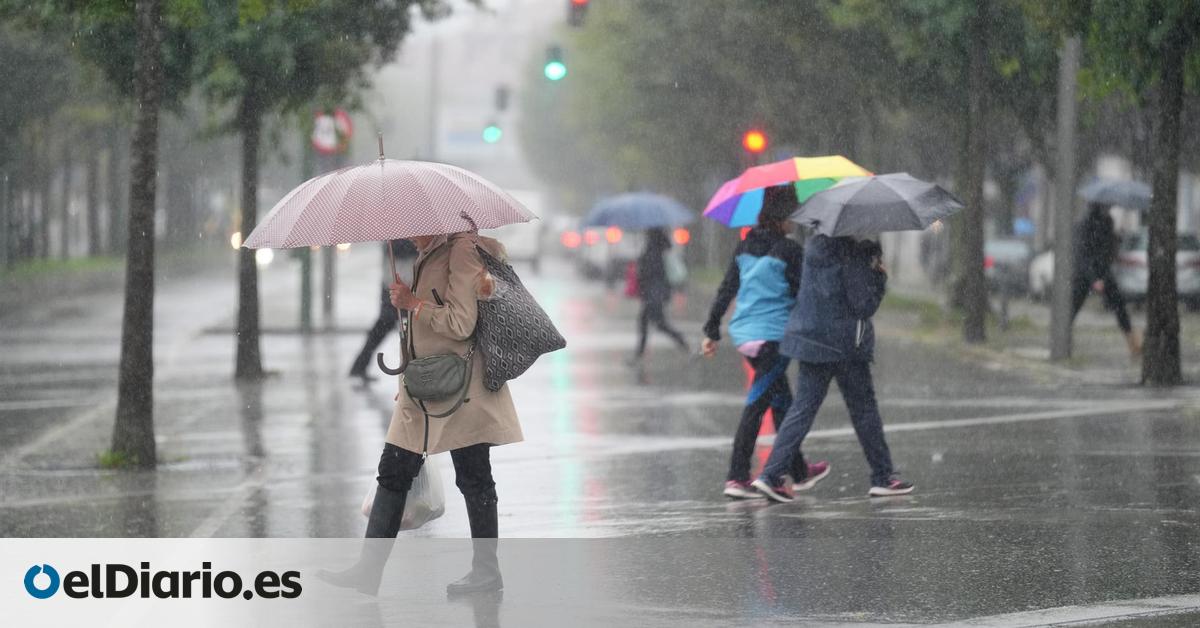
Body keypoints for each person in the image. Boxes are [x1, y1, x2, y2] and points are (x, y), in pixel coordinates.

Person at [320, 231, 523, 596]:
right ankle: (368, 571)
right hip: (425, 384)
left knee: (474, 475)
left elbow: (462, 322)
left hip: (462, 386)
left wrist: (413, 303)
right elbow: (420, 327)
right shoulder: (428, 252)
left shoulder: (460, 251)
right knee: (393, 471)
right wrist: (407, 369)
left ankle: (486, 571)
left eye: (414, 229)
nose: (408, 237)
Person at [752, 234, 914, 502]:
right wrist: (879, 276)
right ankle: (883, 476)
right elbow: (863, 304)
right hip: (844, 344)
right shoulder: (856, 251)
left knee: (802, 409)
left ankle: (771, 475)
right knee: (864, 409)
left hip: (811, 338)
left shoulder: (815, 246)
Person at [702, 186, 829, 499]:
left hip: (745, 334)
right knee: (757, 405)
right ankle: (737, 476)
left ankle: (798, 470)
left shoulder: (745, 246)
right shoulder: (789, 250)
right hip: (773, 337)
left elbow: (727, 288)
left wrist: (712, 329)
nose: (794, 222)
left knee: (781, 401)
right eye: (792, 216)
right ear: (782, 217)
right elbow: (804, 293)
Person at [1071, 202, 1142, 359]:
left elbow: (1106, 251)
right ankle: (1062, 342)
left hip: (1102, 272)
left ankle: (1133, 342)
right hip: (1087, 274)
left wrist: (1118, 238)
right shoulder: (1087, 224)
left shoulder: (1107, 221)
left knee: (1119, 306)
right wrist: (1094, 278)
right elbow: (1084, 254)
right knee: (1073, 307)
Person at [348, 239, 418, 383]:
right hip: (396, 288)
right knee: (385, 328)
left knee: (387, 330)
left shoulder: (394, 236)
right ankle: (359, 367)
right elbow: (403, 251)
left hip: (398, 287)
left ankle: (359, 366)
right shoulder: (398, 238)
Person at [631, 227, 688, 361]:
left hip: (654, 294)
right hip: (655, 293)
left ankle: (683, 343)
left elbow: (650, 273)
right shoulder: (658, 247)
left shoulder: (653, 249)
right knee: (646, 323)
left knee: (659, 324)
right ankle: (638, 355)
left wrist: (641, 264)